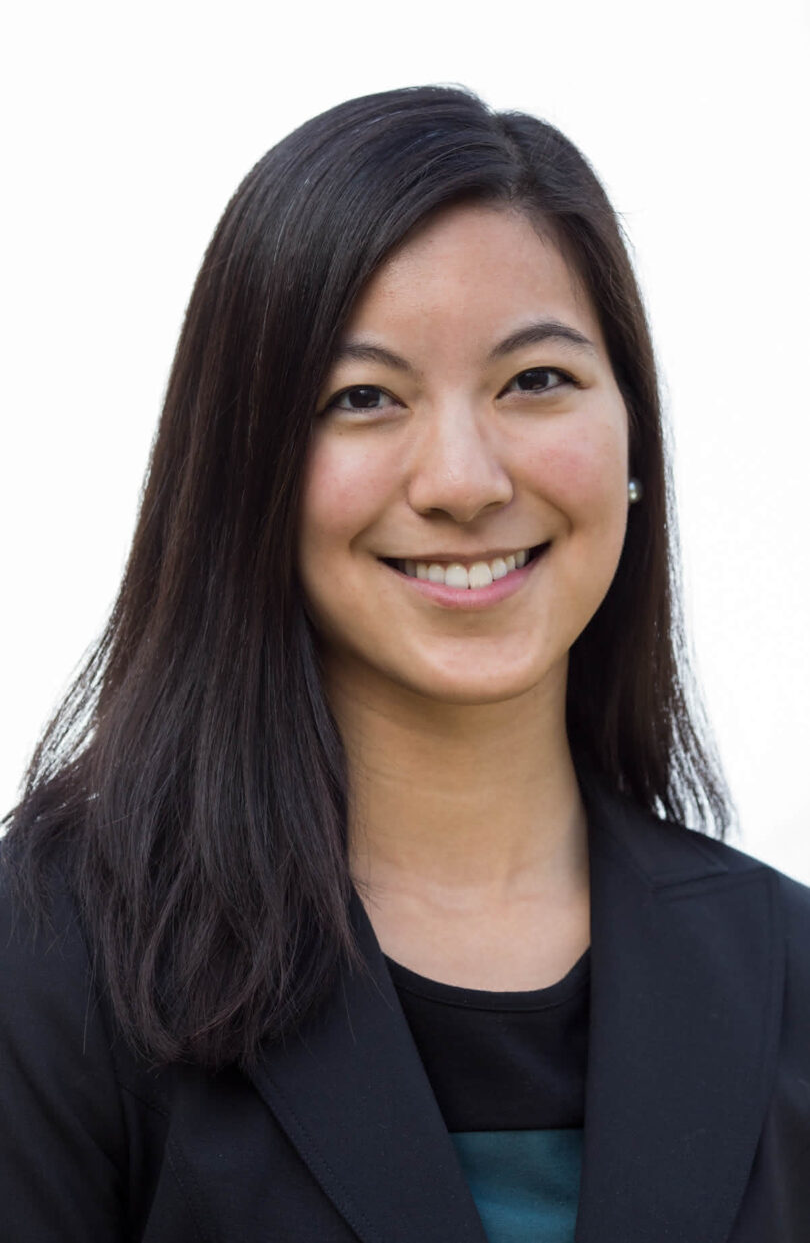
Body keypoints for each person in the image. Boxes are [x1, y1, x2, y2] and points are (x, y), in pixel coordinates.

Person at [1, 84, 807, 1243]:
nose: (465, 481)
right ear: (247, 470)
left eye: (536, 381)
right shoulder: (56, 963)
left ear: (634, 438)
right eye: (364, 397)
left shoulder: (789, 975)